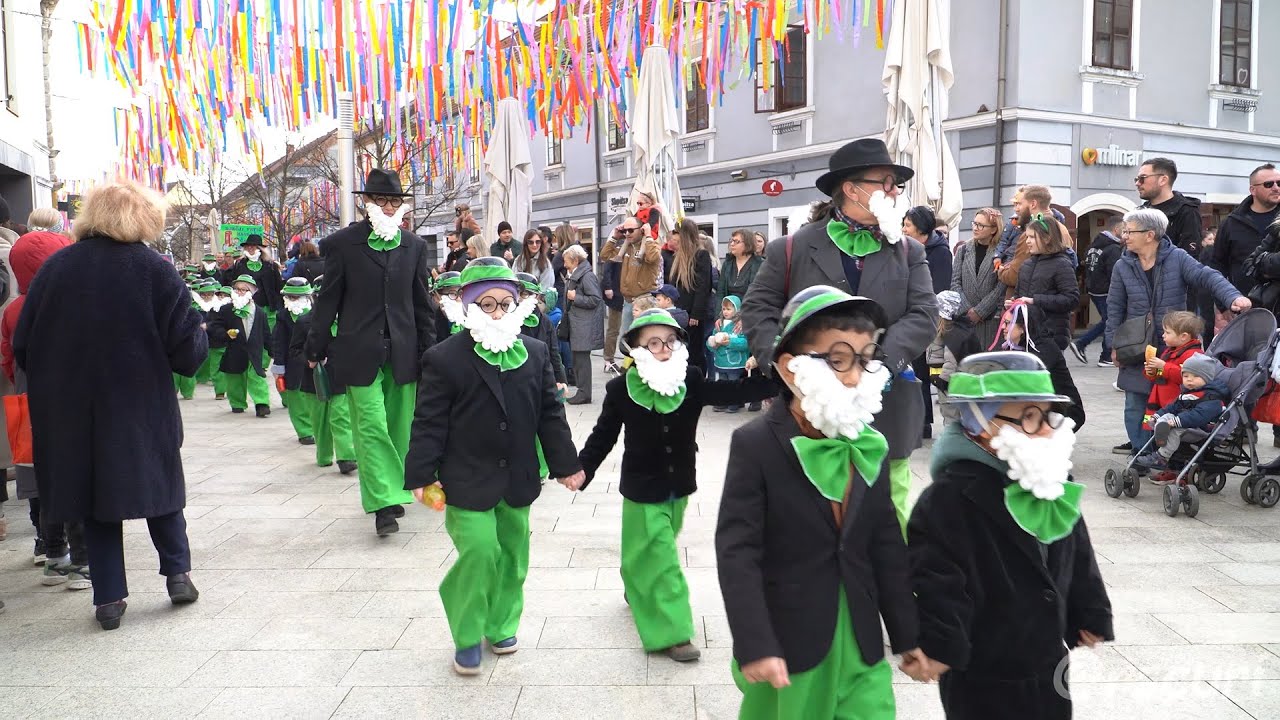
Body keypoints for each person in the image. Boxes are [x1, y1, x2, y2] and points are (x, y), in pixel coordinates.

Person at [717, 287, 925, 719]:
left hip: (861, 640)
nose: (854, 377)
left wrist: (908, 634)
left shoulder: (871, 445)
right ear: (791, 369)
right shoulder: (755, 445)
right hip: (789, 643)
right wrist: (754, 641)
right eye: (838, 360)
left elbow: (887, 544)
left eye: (865, 360)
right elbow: (738, 552)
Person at [13, 181, 207, 631]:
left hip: (72, 410)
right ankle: (177, 574)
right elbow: (187, 352)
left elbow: (24, 344)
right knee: (160, 488)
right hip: (140, 403)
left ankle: (108, 598)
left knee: (93, 498)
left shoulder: (55, 269)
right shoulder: (154, 268)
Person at [739, 138, 938, 533]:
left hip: (885, 403)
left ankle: (889, 591)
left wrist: (875, 363)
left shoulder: (909, 252)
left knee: (889, 512)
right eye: (886, 182)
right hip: (810, 408)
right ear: (851, 189)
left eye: (896, 184)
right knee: (809, 516)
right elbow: (757, 309)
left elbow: (925, 314)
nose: (895, 192)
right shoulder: (791, 249)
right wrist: (784, 368)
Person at [909, 351, 1113, 720]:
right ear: (981, 424)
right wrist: (940, 643)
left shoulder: (1049, 480)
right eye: (1029, 418)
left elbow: (1076, 548)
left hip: (1049, 659)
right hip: (985, 668)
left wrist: (1089, 609)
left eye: (1047, 415)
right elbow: (938, 578)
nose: (1048, 430)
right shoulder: (949, 499)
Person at [405, 257, 583, 676]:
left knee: (512, 556)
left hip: (517, 477)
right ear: (467, 307)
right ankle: (467, 634)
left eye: (506, 302)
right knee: (481, 552)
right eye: (486, 304)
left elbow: (549, 415)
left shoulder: (535, 353)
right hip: (466, 477)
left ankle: (501, 622)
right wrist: (421, 474)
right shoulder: (444, 358)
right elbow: (428, 420)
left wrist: (565, 464)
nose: (498, 312)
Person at [575, 308, 774, 663]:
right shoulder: (622, 388)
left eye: (669, 340)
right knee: (662, 557)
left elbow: (728, 393)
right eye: (653, 342)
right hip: (640, 485)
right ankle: (674, 631)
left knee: (645, 552)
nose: (664, 348)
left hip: (679, 483)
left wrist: (775, 378)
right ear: (635, 348)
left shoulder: (691, 378)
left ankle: (634, 581)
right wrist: (582, 469)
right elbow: (604, 433)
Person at [305, 168, 436, 536]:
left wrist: (431, 350)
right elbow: (328, 300)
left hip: (403, 349)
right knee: (371, 425)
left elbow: (421, 303)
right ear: (366, 203)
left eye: (395, 201)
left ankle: (393, 489)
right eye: (381, 200)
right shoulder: (342, 244)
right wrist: (315, 345)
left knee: (399, 427)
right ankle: (383, 503)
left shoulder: (414, 246)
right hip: (357, 350)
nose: (389, 206)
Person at [1106, 208, 1248, 456]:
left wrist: (1233, 297)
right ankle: (1141, 454)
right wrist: (1113, 345)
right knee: (1134, 403)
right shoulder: (1122, 265)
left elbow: (1208, 276)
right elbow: (1114, 306)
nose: (1124, 236)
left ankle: (1163, 454)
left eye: (1130, 231)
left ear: (1150, 235)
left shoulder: (1177, 257)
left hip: (1173, 344)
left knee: (1170, 402)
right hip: (1135, 344)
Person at [1, 229, 88, 589]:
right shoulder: (70, 302)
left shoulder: (12, 309)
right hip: (66, 405)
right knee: (74, 478)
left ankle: (51, 553)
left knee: (38, 481)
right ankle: (82, 563)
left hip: (25, 402)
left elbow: (9, 357)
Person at [283, 277, 358, 475]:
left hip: (341, 377)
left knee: (341, 417)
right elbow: (295, 350)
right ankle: (324, 455)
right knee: (319, 420)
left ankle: (346, 457)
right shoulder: (304, 321)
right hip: (314, 379)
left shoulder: (349, 320)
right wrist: (308, 360)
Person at [904, 205, 953, 439]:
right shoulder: (907, 248)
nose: (903, 229)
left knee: (923, 372)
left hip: (927, 318)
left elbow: (940, 288)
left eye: (907, 225)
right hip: (909, 314)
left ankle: (923, 423)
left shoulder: (940, 252)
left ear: (921, 230)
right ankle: (917, 421)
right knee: (913, 370)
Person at [1137, 352, 1226, 473]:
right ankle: (1159, 429)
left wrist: (1177, 421)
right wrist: (1158, 415)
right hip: (1185, 424)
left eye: (1195, 376)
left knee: (1174, 430)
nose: (1189, 379)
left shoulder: (1212, 398)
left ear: (1207, 378)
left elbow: (1199, 416)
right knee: (1167, 416)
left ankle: (1162, 457)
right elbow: (1173, 406)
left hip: (1201, 429)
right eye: (1186, 376)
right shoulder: (1188, 393)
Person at [1011, 213, 1080, 351]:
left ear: (1047, 238)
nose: (1027, 241)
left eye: (1032, 237)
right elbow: (1019, 293)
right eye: (1027, 237)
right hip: (1027, 335)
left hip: (1051, 335)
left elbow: (1071, 299)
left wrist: (1035, 300)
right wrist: (1014, 303)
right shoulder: (1026, 265)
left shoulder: (1062, 264)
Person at [208, 275, 272, 417]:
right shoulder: (226, 310)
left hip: (254, 352)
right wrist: (225, 334)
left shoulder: (260, 312)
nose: (240, 292)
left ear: (252, 292)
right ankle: (237, 403)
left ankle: (262, 404)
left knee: (257, 378)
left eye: (244, 290)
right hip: (235, 350)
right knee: (234, 378)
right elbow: (215, 327)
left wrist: (274, 351)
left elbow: (266, 334)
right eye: (237, 289)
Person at [600, 217, 663, 358]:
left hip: (645, 301)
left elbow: (653, 258)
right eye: (625, 230)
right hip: (628, 301)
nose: (627, 233)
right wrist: (614, 237)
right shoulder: (626, 247)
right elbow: (604, 256)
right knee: (627, 340)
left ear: (640, 230)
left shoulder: (650, 244)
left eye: (630, 230)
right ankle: (630, 369)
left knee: (644, 339)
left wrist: (648, 236)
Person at [1215, 164, 1280, 297]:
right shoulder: (1231, 223)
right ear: (1253, 190)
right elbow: (1218, 265)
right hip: (1244, 304)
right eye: (1268, 184)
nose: (1276, 188)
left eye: (1279, 183)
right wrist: (1223, 303)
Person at [272, 277, 320, 444]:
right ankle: (304, 432)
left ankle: (317, 428)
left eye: (297, 296)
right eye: (290, 296)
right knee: (296, 398)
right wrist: (278, 366)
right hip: (292, 362)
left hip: (314, 361)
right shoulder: (282, 316)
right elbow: (278, 341)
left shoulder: (317, 313)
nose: (293, 300)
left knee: (314, 398)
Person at [1072, 216, 1124, 366]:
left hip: (1094, 289)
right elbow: (1115, 274)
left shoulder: (1093, 246)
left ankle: (1102, 353)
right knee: (1110, 322)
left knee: (1108, 321)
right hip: (1106, 291)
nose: (1126, 234)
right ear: (1116, 230)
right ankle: (1095, 350)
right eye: (1124, 230)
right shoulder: (1113, 249)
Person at [951, 208, 1006, 351]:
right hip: (965, 320)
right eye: (974, 223)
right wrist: (967, 310)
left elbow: (1001, 286)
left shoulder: (1001, 253)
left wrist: (980, 311)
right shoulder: (963, 250)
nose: (975, 228)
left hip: (990, 320)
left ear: (993, 229)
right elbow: (955, 283)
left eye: (981, 225)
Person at [665, 219, 713, 370]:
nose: (674, 236)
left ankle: (698, 382)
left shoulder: (701, 255)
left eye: (677, 233)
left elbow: (703, 287)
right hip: (678, 312)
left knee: (694, 352)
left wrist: (696, 314)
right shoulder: (676, 257)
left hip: (692, 314)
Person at [563, 244, 604, 405]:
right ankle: (582, 391)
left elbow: (595, 299)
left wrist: (575, 298)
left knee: (582, 360)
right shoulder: (578, 274)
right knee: (578, 360)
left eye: (567, 261)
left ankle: (584, 393)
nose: (565, 264)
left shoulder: (586, 276)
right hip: (579, 324)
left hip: (583, 325)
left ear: (575, 260)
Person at [1137, 157, 1203, 256]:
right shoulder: (1139, 212)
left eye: (1142, 178)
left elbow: (1189, 259)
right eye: (1137, 179)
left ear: (1163, 180)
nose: (1137, 183)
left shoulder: (1187, 212)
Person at [516, 271, 567, 391]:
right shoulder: (507, 318)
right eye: (516, 293)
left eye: (524, 294)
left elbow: (554, 353)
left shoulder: (545, 322)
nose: (519, 299)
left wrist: (561, 380)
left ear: (537, 296)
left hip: (539, 377)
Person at [223, 233, 284, 333]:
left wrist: (278, 304)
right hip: (246, 307)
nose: (250, 248)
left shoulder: (271, 265)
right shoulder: (239, 265)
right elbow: (231, 283)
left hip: (267, 308)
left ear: (259, 248)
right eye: (248, 246)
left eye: (253, 245)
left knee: (267, 335)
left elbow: (278, 287)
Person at [706, 296, 750, 413]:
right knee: (722, 383)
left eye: (729, 309)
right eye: (724, 309)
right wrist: (712, 343)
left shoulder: (739, 325)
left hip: (735, 362)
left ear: (737, 310)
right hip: (721, 361)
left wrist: (730, 341)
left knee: (733, 383)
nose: (725, 312)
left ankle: (734, 403)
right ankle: (724, 402)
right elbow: (710, 341)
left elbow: (745, 343)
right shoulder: (719, 324)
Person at [718, 229, 765, 320]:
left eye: (736, 241)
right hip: (728, 316)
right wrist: (719, 317)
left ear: (747, 244)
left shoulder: (760, 264)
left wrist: (744, 319)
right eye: (731, 241)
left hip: (751, 317)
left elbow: (759, 296)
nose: (732, 244)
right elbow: (720, 292)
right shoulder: (727, 263)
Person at [599, 242, 624, 376]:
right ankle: (608, 360)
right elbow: (607, 269)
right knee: (614, 328)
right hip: (617, 295)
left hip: (625, 295)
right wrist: (608, 287)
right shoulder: (616, 250)